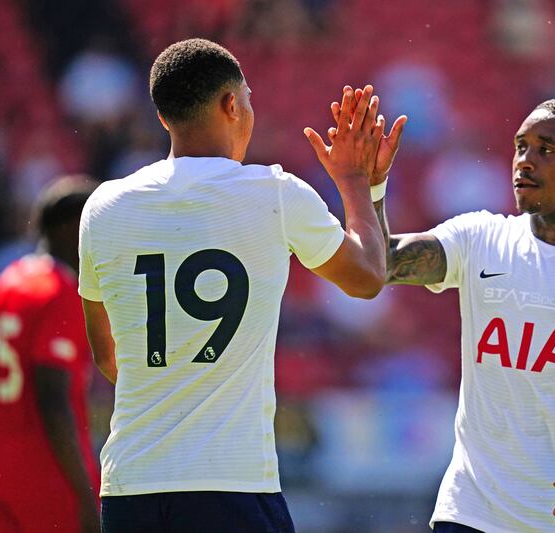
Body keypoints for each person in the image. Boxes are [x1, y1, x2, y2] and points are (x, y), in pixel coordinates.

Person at [78, 38, 404, 532]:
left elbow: (107, 356)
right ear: (232, 105)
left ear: (164, 117)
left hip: (131, 485)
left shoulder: (103, 207)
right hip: (232, 484)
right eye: (247, 98)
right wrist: (359, 183)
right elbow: (367, 277)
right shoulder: (274, 194)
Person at [346, 95, 555, 532]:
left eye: (546, 150)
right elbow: (381, 265)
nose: (524, 161)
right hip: (470, 513)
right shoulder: (479, 237)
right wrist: (372, 190)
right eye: (520, 146)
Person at [0, 176, 100, 533]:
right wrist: (85, 492)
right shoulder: (60, 289)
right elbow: (52, 398)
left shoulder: (10, 279)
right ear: (71, 229)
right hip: (43, 474)